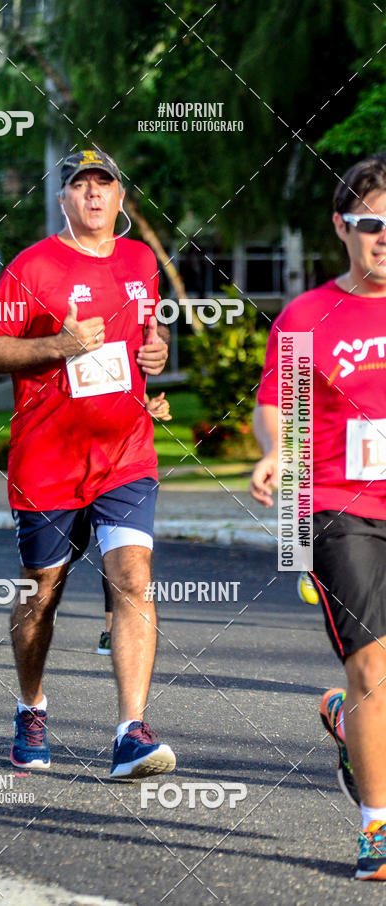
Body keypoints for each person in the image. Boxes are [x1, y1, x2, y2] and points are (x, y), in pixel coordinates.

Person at [0, 148, 176, 779]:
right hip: (48, 458)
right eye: (80, 186)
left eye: (102, 186)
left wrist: (155, 356)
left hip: (125, 452)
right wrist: (60, 344)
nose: (92, 195)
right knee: (41, 594)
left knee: (133, 578)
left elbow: (144, 336)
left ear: (120, 199)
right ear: (63, 199)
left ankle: (130, 733)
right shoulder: (33, 267)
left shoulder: (142, 261)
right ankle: (31, 705)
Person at [250, 151, 386, 880]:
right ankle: (377, 827)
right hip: (339, 505)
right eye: (371, 224)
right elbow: (276, 407)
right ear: (342, 226)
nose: (385, 237)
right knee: (372, 662)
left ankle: (343, 720)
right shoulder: (309, 316)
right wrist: (277, 452)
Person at [97, 392, 172, 655]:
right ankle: (46, 604)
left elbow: (133, 394)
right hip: (69, 463)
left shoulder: (126, 352)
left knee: (116, 551)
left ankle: (111, 630)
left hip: (122, 469)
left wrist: (149, 406)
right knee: (69, 548)